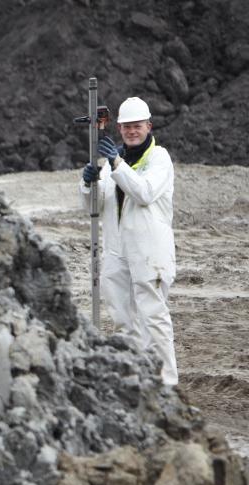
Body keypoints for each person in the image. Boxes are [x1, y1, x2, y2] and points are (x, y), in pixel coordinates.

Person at [80, 96, 178, 385]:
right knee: (124, 320)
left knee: (153, 318)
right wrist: (88, 184)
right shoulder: (111, 164)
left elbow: (144, 193)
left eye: (137, 126)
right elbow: (94, 208)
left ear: (148, 125)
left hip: (150, 252)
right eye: (126, 127)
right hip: (116, 250)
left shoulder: (159, 158)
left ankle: (166, 385)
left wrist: (116, 163)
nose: (131, 131)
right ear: (120, 129)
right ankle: (136, 381)